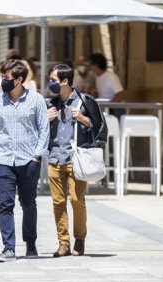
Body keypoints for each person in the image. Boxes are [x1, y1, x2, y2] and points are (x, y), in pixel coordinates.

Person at [0, 59, 50, 262]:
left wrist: (37, 156)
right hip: (3, 160)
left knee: (28, 204)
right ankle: (8, 248)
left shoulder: (36, 100)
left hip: (28, 160)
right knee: (5, 204)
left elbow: (44, 130)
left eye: (6, 77)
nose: (3, 80)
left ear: (19, 80)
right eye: (2, 76)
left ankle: (30, 242)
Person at [46, 64, 105, 257]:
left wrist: (83, 119)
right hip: (55, 157)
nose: (50, 84)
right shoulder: (50, 104)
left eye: (53, 80)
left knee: (77, 200)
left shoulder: (84, 101)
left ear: (65, 81)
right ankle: (63, 243)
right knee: (58, 202)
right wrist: (46, 120)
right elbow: (37, 130)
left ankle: (80, 239)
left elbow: (99, 127)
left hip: (76, 158)